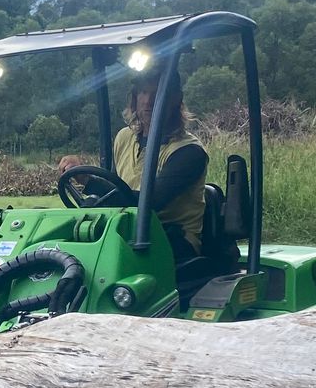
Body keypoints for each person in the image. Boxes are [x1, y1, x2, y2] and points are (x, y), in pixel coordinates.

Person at [58, 81, 208, 260]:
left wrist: (89, 181)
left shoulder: (188, 152)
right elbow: (114, 189)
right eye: (143, 92)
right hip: (126, 229)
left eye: (158, 93)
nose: (149, 101)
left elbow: (149, 203)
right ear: (135, 99)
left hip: (173, 239)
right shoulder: (124, 137)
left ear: (176, 99)